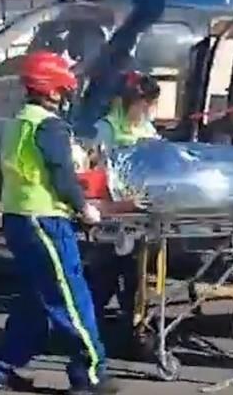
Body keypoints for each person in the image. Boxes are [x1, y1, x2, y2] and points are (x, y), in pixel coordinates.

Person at [0, 50, 120, 395]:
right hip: (45, 221)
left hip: (18, 218)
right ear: (53, 90)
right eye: (65, 89)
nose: (68, 96)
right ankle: (89, 375)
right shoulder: (49, 125)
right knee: (71, 299)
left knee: (37, 299)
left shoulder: (18, 121)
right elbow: (62, 175)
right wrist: (84, 208)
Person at [86, 71, 161, 340]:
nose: (149, 109)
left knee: (136, 273)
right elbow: (96, 169)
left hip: (137, 211)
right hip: (112, 211)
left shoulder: (147, 129)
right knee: (106, 271)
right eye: (146, 103)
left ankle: (134, 325)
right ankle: (86, 326)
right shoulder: (106, 128)